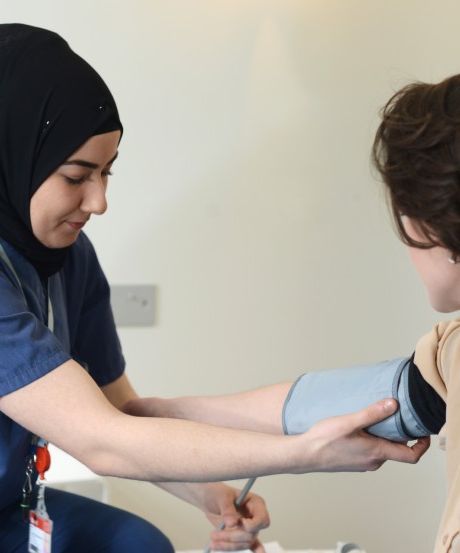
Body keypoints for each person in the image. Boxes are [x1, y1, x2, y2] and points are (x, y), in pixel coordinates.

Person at [0, 23, 427, 553]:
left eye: (107, 172)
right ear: (11, 156)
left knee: (140, 546)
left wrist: (212, 492)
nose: (100, 200)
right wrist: (306, 453)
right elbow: (101, 440)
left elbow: (122, 412)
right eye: (76, 175)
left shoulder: (63, 252)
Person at [125, 74, 460, 552]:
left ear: (433, 218)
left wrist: (303, 454)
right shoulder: (451, 350)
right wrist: (167, 413)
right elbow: (353, 401)